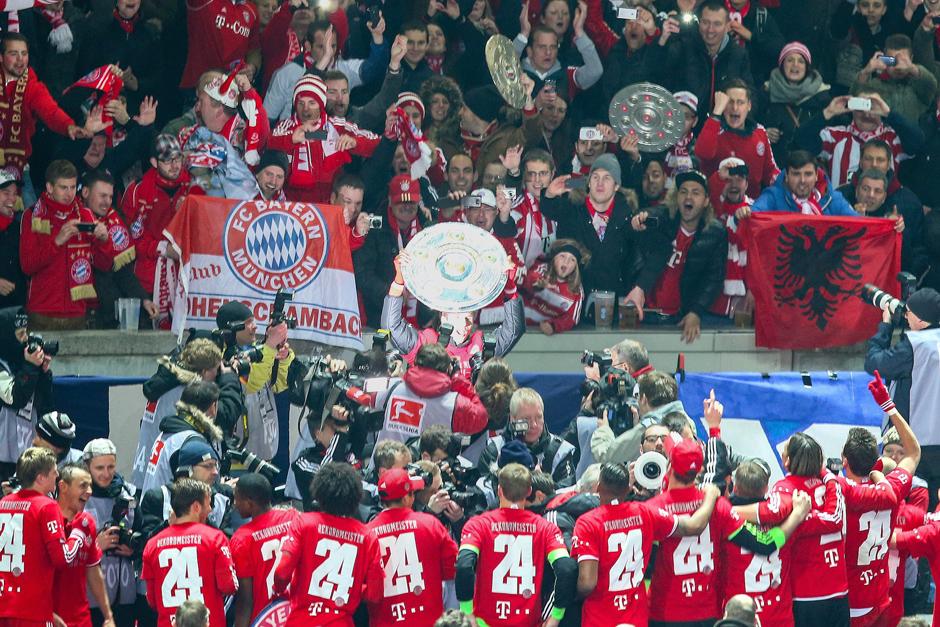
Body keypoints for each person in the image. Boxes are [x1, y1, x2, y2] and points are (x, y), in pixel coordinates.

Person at [647, 438, 807, 626]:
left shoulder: (653, 508)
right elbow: (766, 543)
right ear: (699, 470)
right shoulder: (719, 507)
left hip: (664, 612)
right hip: (707, 613)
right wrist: (796, 515)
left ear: (670, 466)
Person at [572, 462, 724, 627]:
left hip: (599, 617)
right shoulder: (644, 513)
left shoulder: (587, 523)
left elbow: (587, 583)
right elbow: (693, 526)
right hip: (635, 616)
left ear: (598, 487)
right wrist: (710, 496)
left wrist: (572, 597)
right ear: (627, 489)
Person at [734, 432, 849, 626]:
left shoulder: (785, 489)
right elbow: (835, 517)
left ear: (787, 461)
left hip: (806, 592)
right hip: (838, 588)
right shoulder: (833, 486)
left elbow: (772, 512)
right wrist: (827, 475)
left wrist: (726, 509)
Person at [542, 153, 670, 316]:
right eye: (595, 177)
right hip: (574, 311)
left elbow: (662, 248)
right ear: (589, 182)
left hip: (616, 311)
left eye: (607, 178)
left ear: (616, 185)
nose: (600, 183)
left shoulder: (628, 219)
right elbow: (551, 209)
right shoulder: (573, 212)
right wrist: (550, 194)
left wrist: (640, 288)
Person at [456, 463, 577, 627]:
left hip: (484, 622)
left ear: (499, 490)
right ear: (529, 492)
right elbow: (567, 569)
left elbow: (464, 565)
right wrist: (555, 617)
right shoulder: (546, 528)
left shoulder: (478, 525)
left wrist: (466, 612)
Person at [273, 462, 384, 625]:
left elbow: (282, 573)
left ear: (320, 492)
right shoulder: (367, 536)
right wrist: (352, 588)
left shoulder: (304, 523)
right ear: (355, 497)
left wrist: (279, 589)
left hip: (302, 620)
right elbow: (375, 595)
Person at [865, 287, 940, 507]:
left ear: (920, 318)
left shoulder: (916, 346)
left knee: (913, 506)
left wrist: (886, 325)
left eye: (908, 312)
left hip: (917, 443)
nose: (905, 315)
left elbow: (874, 363)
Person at [637, 170, 729, 343]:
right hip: (644, 314)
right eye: (683, 191)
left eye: (696, 193)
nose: (688, 197)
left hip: (679, 318)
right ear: (676, 197)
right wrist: (642, 217)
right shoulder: (664, 220)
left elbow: (714, 279)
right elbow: (653, 213)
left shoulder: (716, 234)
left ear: (706, 201)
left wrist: (696, 312)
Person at [0, 447, 89, 625]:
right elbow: (62, 558)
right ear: (40, 478)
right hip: (32, 612)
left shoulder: (4, 503)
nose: (57, 475)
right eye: (53, 471)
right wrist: (78, 534)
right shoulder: (46, 506)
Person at [20, 159, 111, 329]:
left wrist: (104, 241)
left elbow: (104, 265)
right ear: (49, 187)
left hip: (77, 313)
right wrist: (57, 241)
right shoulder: (32, 215)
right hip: (41, 313)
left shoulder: (85, 215)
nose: (69, 193)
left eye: (72, 187)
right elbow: (27, 265)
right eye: (63, 187)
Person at [366, 467, 458, 626]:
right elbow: (454, 569)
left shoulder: (367, 534)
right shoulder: (431, 525)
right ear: (406, 499)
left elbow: (363, 589)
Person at [141, 478, 238, 627]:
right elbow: (229, 586)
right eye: (208, 504)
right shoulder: (215, 538)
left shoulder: (152, 545)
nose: (211, 509)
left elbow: (152, 600)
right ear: (196, 507)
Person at [268, 74, 379, 203]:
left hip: (328, 208)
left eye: (312, 103)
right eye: (301, 103)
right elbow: (268, 143)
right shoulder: (285, 127)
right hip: (291, 207)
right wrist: (290, 139)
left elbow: (376, 142)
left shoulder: (337, 126)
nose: (306, 109)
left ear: (321, 104)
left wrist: (355, 142)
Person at [0, 33, 97, 180]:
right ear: (1, 57)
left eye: (24, 53)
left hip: (17, 168)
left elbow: (50, 111)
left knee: (29, 203)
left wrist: (68, 126)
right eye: (13, 54)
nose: (20, 59)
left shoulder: (32, 87)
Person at [648, 1, 754, 121]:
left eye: (717, 24)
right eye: (705, 22)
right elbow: (657, 79)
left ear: (727, 26)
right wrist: (661, 43)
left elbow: (750, 95)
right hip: (686, 128)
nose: (710, 29)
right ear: (699, 22)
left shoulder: (738, 54)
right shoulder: (683, 47)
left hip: (723, 129)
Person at [215, 300, 294, 461]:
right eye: (248, 322)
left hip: (265, 450)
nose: (255, 326)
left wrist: (283, 358)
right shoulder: (223, 360)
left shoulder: (259, 351)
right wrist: (270, 345)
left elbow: (279, 385)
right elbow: (252, 384)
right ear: (233, 328)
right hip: (237, 454)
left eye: (254, 321)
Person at [372, 342, 488, 449]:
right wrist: (458, 379)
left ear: (415, 364)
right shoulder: (454, 403)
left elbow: (358, 391)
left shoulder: (391, 386)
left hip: (381, 466)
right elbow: (481, 418)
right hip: (423, 469)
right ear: (448, 369)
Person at [84, 168, 158, 328]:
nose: (107, 201)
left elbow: (123, 272)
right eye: (102, 196)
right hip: (76, 311)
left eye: (110, 196)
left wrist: (143, 299)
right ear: (85, 192)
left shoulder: (114, 222)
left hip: (106, 311)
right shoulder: (71, 220)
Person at [121, 134, 191, 299]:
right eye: (167, 160)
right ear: (154, 162)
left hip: (187, 279)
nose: (174, 165)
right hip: (148, 281)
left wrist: (190, 210)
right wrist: (164, 249)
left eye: (177, 158)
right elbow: (130, 239)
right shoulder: (138, 190)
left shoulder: (194, 186)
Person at [81, 438, 139, 627]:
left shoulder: (128, 493)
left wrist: (133, 549)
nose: (106, 474)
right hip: (89, 595)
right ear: (87, 466)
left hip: (124, 594)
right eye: (99, 468)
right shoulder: (75, 496)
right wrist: (95, 545)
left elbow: (141, 536)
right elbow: (61, 550)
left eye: (111, 467)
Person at [230, 473, 299, 627]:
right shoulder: (293, 517)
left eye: (237, 498)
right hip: (295, 614)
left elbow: (245, 600)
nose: (235, 504)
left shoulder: (242, 539)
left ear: (249, 503)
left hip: (265, 619)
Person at [53, 464, 116, 627]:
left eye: (90, 486)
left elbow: (93, 571)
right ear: (63, 486)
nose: (89, 491)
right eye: (83, 486)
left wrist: (108, 616)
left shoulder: (87, 522)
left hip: (80, 619)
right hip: (47, 618)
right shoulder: (47, 520)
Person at [694, 81, 780, 193]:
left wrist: (787, 182)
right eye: (730, 102)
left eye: (740, 102)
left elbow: (770, 172)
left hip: (752, 207)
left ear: (749, 106)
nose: (734, 108)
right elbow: (702, 153)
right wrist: (716, 113)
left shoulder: (760, 132)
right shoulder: (713, 130)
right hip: (716, 205)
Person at [480, 388, 577, 487]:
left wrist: (541, 484)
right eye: (526, 419)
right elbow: (484, 494)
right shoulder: (494, 450)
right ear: (513, 419)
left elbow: (566, 495)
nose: (534, 425)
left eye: (539, 417)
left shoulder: (560, 452)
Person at [141, 380, 224, 494]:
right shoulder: (191, 443)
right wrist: (224, 490)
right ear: (213, 407)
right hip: (168, 508)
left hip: (153, 506)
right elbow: (196, 494)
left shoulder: (169, 432)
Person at [0, 306, 54, 479]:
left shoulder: (22, 361)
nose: (26, 340)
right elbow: (15, 398)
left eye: (26, 332)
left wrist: (43, 373)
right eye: (20, 334)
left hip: (26, 453)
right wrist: (30, 367)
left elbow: (45, 402)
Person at [762, 42, 832, 162]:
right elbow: (753, 125)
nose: (795, 65)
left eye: (801, 61)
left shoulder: (822, 98)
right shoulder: (766, 92)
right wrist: (763, 134)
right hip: (776, 167)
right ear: (782, 64)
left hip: (808, 168)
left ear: (807, 67)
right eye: (790, 60)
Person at [854, 34, 938, 123]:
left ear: (911, 59)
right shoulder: (874, 85)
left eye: (903, 61)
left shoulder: (918, 86)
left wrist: (912, 68)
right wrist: (866, 72)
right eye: (893, 61)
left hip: (911, 135)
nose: (898, 67)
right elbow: (855, 103)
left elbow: (931, 85)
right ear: (885, 59)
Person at [750, 149, 858, 215]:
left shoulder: (833, 199)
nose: (802, 180)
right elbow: (752, 215)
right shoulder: (773, 196)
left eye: (808, 174)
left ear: (816, 176)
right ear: (786, 176)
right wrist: (742, 214)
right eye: (796, 174)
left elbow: (858, 224)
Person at [520, 238, 589, 335]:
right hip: (520, 326)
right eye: (562, 256)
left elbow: (571, 318)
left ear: (575, 267)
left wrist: (553, 326)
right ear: (554, 258)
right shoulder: (542, 269)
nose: (566, 262)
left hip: (541, 334)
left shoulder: (576, 290)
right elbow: (529, 280)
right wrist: (538, 285)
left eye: (572, 260)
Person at [0, 170, 25, 309]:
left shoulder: (19, 228)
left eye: (15, 193)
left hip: (16, 309)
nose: (12, 199)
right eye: (6, 193)